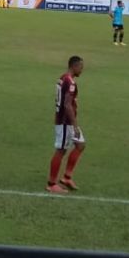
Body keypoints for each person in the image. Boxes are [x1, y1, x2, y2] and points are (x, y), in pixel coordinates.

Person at [47, 55, 85, 194]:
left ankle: (67, 177)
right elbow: (67, 104)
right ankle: (51, 184)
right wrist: (74, 125)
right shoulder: (70, 82)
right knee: (61, 150)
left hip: (66, 121)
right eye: (81, 67)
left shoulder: (62, 78)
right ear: (74, 66)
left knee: (80, 145)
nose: (82, 70)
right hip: (65, 122)